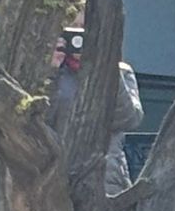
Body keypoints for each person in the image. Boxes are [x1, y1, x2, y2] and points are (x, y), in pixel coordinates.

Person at [47, 18, 142, 194]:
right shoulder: (53, 72)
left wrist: (109, 66)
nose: (80, 35)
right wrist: (51, 72)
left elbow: (130, 119)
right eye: (73, 27)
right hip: (57, 179)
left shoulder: (120, 71)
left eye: (85, 27)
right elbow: (40, 120)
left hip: (105, 179)